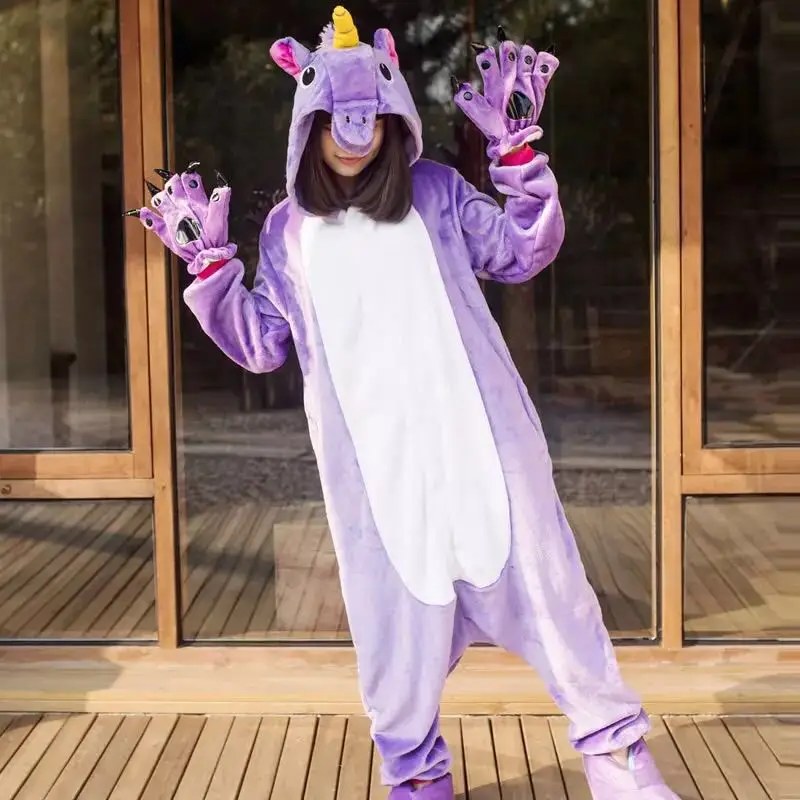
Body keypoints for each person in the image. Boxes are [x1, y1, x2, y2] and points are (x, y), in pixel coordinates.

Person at [127, 7, 678, 798]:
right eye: (335, 121)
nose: (355, 136)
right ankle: (417, 779)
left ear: (394, 120)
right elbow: (262, 344)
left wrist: (519, 159)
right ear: (309, 126)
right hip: (381, 479)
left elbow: (524, 248)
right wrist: (211, 270)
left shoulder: (437, 193)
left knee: (554, 593)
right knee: (393, 638)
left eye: (371, 118)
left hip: (483, 449)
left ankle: (617, 755)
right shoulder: (286, 235)